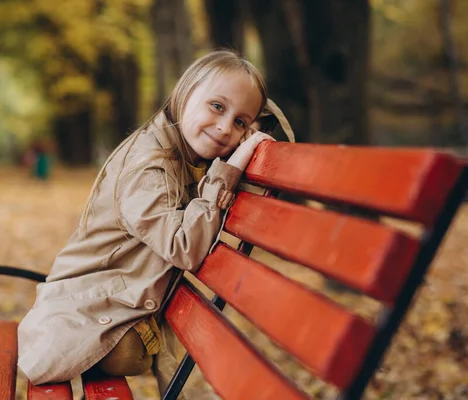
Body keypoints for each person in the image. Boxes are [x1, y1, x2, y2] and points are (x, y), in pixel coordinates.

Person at [17, 50, 292, 397]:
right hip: (80, 313)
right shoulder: (149, 166)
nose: (225, 128)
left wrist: (245, 149)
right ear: (184, 92)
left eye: (241, 122)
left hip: (101, 301)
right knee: (130, 354)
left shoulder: (184, 153)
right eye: (217, 106)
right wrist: (230, 169)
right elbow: (184, 248)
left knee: (134, 353)